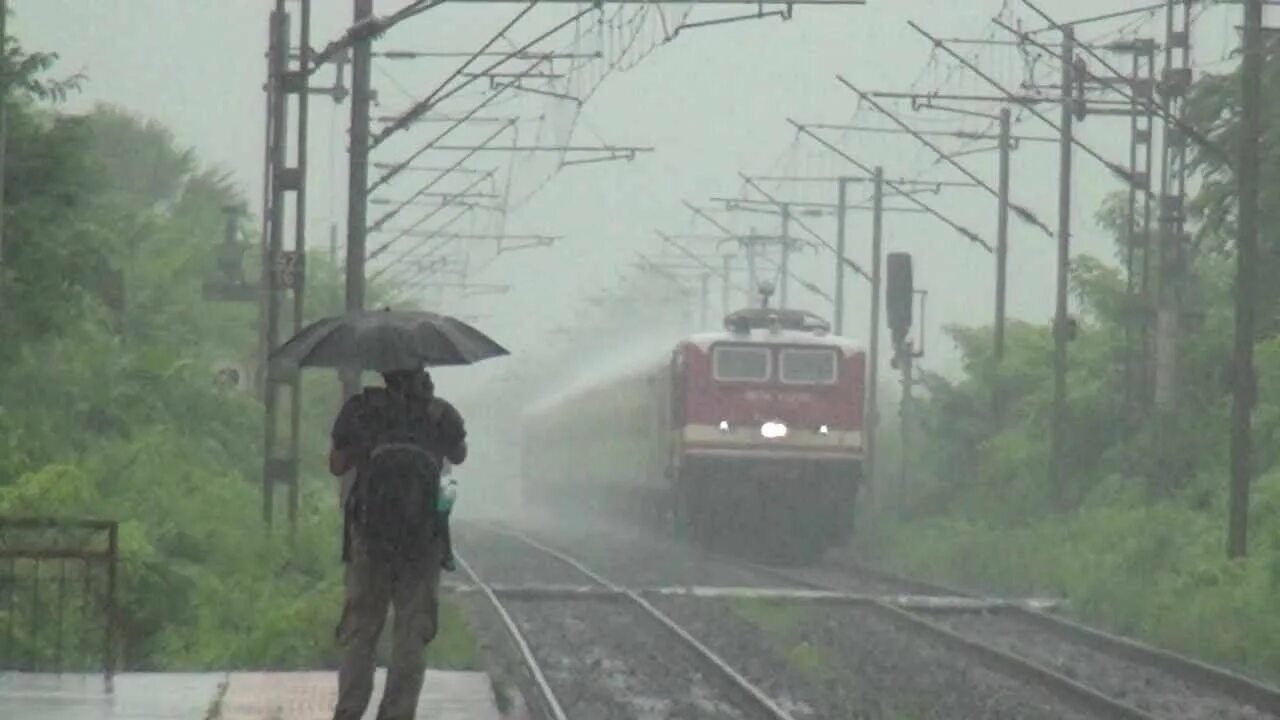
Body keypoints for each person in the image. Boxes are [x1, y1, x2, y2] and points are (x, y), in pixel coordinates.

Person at [328, 367, 467, 720]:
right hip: (423, 541)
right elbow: (460, 454)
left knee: (361, 629)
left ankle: (349, 711)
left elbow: (336, 465)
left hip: (369, 539)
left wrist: (366, 449)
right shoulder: (440, 413)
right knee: (411, 632)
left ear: (384, 371)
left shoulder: (361, 409)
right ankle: (398, 713)